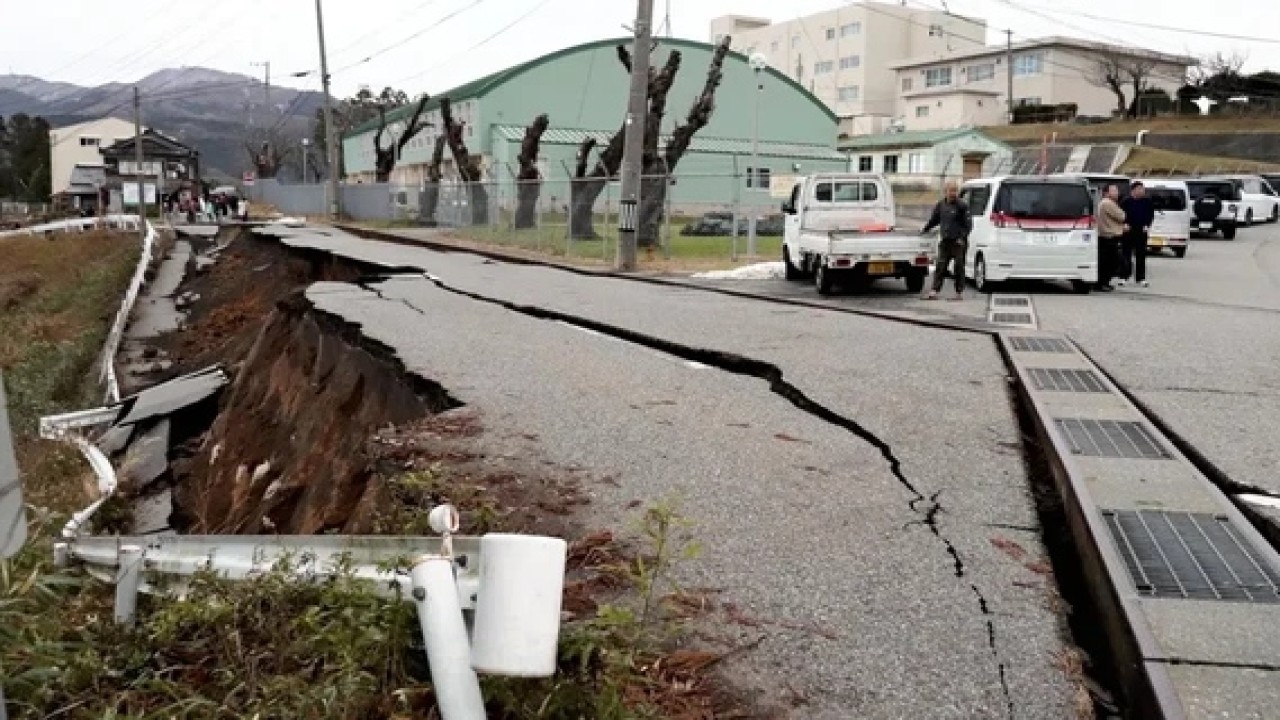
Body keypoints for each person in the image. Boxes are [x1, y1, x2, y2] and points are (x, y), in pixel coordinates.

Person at [920, 182, 973, 301]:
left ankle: (958, 292)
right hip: (945, 241)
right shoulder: (941, 205)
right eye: (951, 190)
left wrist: (961, 237)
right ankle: (934, 291)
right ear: (946, 191)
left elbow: (968, 225)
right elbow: (934, 220)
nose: (953, 193)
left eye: (955, 190)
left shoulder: (962, 206)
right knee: (940, 266)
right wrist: (925, 229)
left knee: (959, 267)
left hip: (958, 242)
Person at [1119, 182, 1154, 288]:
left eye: (1142, 189)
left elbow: (1150, 215)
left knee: (1141, 255)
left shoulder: (1147, 202)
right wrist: (1124, 224)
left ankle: (1141, 278)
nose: (1141, 191)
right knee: (1126, 254)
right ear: (1133, 190)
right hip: (1128, 231)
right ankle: (1124, 276)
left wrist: (1147, 225)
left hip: (1141, 230)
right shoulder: (1126, 201)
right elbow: (1121, 214)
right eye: (1139, 189)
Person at [1096, 184, 1128, 292]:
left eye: (1116, 190)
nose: (1117, 193)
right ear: (1106, 193)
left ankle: (1103, 282)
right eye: (1113, 190)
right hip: (1109, 236)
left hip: (1106, 236)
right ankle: (1102, 282)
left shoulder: (1105, 203)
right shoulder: (1108, 203)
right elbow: (1122, 216)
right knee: (1110, 262)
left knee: (1107, 261)